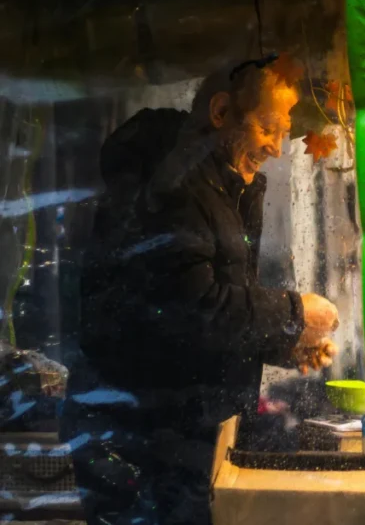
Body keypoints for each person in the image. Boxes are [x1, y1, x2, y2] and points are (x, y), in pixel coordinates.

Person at [61, 55, 341, 525]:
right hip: (140, 438)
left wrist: (285, 340)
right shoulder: (174, 186)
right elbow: (191, 307)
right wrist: (294, 314)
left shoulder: (220, 186)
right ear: (220, 113)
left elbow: (215, 306)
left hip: (177, 433)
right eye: (268, 128)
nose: (277, 147)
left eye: (284, 131)